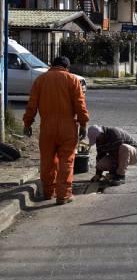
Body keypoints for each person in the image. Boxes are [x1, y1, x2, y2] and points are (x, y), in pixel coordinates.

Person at [23, 56, 89, 205]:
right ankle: (63, 195)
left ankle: (48, 193)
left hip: (47, 128)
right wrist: (83, 124)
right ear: (67, 67)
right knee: (67, 162)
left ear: (52, 65)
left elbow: (31, 105)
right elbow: (80, 104)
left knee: (47, 161)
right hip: (68, 128)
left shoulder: (41, 80)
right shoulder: (72, 80)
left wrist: (27, 123)